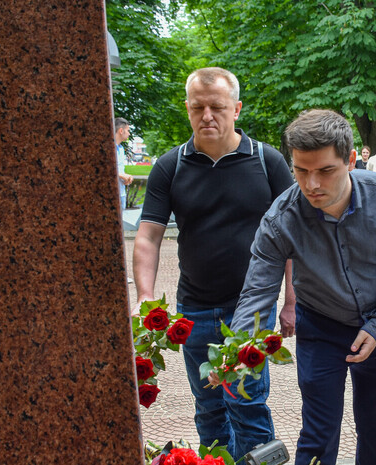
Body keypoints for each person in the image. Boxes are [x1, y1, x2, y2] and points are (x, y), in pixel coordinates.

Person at [224, 109, 376, 465]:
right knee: (318, 434)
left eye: (325, 171)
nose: (311, 184)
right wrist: (240, 345)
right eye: (301, 171)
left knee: (375, 432)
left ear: (349, 160)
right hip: (320, 328)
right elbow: (257, 288)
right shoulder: (281, 217)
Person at [133, 67, 295, 459]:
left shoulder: (267, 161)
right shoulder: (169, 167)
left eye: (217, 107)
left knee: (247, 402)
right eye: (198, 107)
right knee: (208, 407)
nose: (207, 115)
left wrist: (292, 301)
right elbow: (148, 237)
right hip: (195, 311)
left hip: (252, 310)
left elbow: (295, 238)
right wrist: (145, 297)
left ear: (236, 109)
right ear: (188, 109)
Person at [115, 117, 134, 209]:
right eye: (128, 130)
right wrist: (121, 175)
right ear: (121, 131)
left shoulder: (121, 149)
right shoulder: (108, 149)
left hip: (122, 192)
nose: (129, 133)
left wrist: (125, 178)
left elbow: (118, 170)